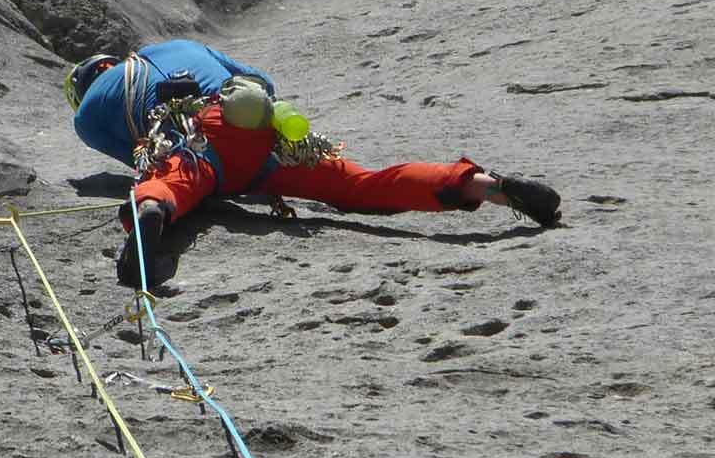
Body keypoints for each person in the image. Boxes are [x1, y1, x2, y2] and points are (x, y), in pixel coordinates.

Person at [65, 39, 560, 289]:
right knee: (364, 184)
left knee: (168, 179)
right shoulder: (182, 46)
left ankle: (153, 215)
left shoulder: (89, 114)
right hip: (262, 127)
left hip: (202, 139)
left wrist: (192, 171)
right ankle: (482, 184)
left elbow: (140, 154)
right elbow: (260, 79)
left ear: (88, 81)